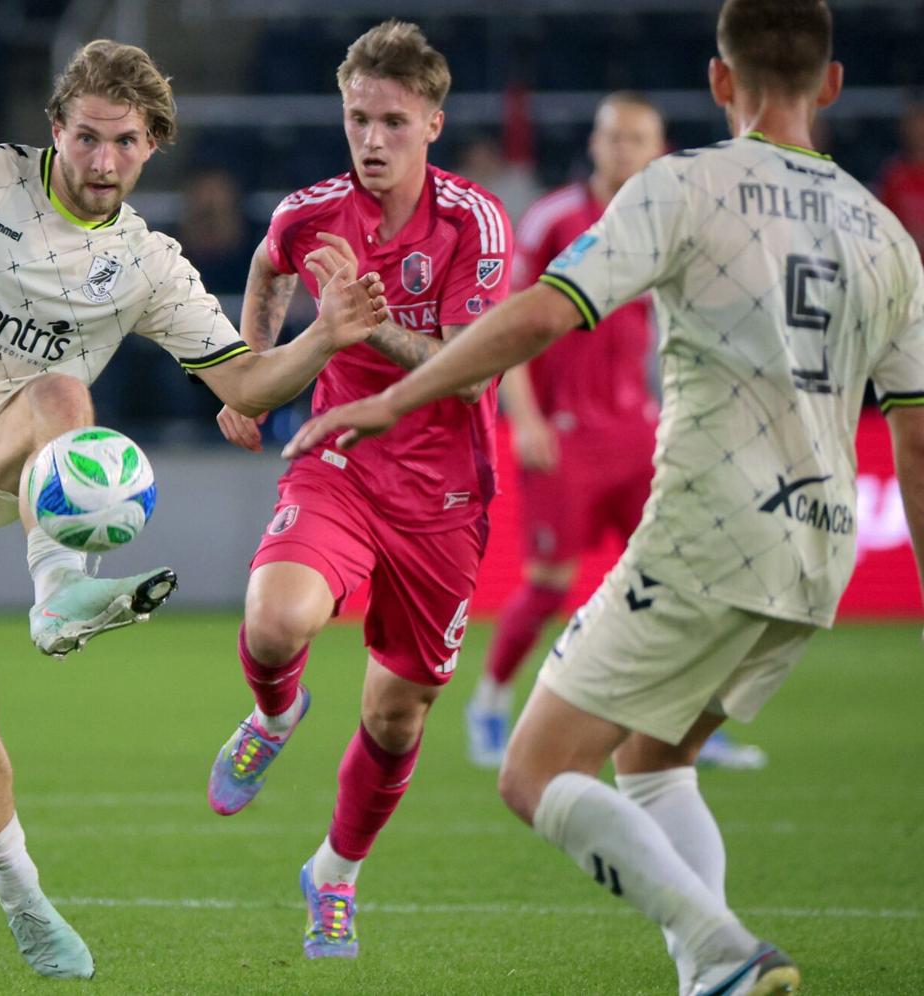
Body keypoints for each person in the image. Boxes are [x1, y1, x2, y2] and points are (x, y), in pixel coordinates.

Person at [283, 2, 924, 992]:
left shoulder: (685, 184)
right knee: (656, 762)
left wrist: (397, 397)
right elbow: (916, 440)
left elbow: (543, 309)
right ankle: (710, 972)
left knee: (535, 772)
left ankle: (723, 949)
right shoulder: (888, 233)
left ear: (719, 85)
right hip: (823, 547)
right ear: (831, 87)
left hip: (710, 529)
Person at [0, 39, 386, 981]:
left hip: (5, 442)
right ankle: (23, 900)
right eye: (85, 138)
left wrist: (323, 334)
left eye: (122, 142)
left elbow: (244, 378)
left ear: (153, 142)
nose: (101, 161)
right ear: (56, 129)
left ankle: (59, 592)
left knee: (61, 392)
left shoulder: (147, 264)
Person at [205, 20, 512, 959]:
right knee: (273, 620)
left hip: (446, 494)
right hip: (338, 458)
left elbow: (468, 372)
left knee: (396, 711)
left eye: (391, 121)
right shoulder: (310, 214)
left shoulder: (474, 224)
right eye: (356, 119)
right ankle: (275, 711)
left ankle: (334, 873)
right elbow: (264, 265)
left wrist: (361, 327)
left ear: (432, 123)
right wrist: (252, 374)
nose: (371, 140)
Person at [466, 92, 768, 774]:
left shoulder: (666, 226)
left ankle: (688, 725)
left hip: (638, 435)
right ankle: (488, 703)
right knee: (547, 585)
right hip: (563, 435)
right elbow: (507, 322)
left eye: (638, 139)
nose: (625, 149)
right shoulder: (555, 220)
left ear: (658, 151)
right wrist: (527, 418)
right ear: (596, 145)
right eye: (614, 137)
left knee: (678, 582)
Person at [876, 102, 924, 255]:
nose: (917, 130)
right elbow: (881, 224)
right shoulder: (893, 174)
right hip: (905, 265)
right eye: (913, 122)